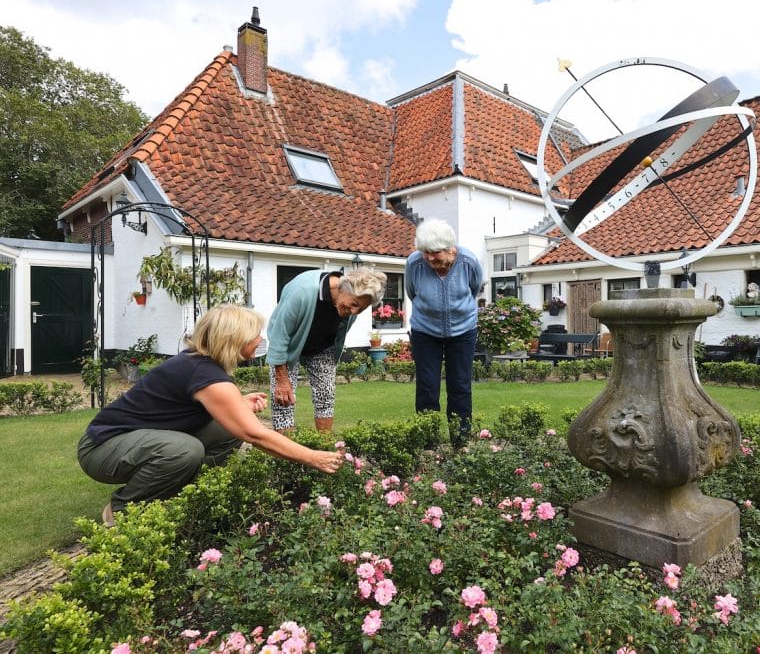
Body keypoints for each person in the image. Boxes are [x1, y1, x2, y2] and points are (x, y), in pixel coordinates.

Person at [78, 304, 346, 526]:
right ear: (234, 340)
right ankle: (122, 511)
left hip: (133, 439)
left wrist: (237, 402)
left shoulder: (200, 365)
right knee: (185, 450)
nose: (260, 341)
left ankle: (182, 490)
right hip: (102, 448)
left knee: (225, 429)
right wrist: (313, 457)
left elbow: (179, 404)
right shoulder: (204, 373)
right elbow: (256, 434)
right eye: (255, 335)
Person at [267, 267, 386, 433]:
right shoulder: (302, 291)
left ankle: (324, 447)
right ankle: (287, 456)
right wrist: (282, 379)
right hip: (287, 346)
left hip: (322, 347)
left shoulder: (354, 304)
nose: (354, 312)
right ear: (343, 289)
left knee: (325, 397)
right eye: (354, 305)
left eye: (361, 309)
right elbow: (280, 334)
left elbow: (340, 333)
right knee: (283, 400)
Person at [405, 218, 484, 446]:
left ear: (451, 248)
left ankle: (460, 442)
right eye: (426, 252)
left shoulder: (468, 261)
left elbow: (474, 288)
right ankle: (428, 443)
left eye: (436, 252)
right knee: (427, 386)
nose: (430, 258)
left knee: (460, 385)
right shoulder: (414, 264)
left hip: (463, 330)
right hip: (425, 331)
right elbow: (412, 293)